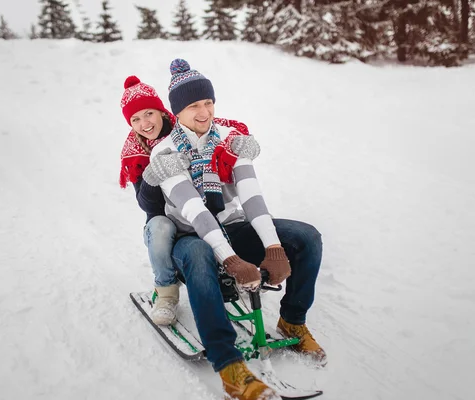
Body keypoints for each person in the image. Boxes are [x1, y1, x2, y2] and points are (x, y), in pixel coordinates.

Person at [143, 59, 326, 400]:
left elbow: (252, 198)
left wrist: (273, 248)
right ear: (177, 112)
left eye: (208, 103)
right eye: (193, 105)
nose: (204, 112)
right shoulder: (165, 152)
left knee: (307, 237)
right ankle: (228, 366)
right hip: (189, 235)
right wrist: (230, 260)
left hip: (231, 225)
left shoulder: (231, 140)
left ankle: (293, 320)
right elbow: (195, 211)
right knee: (199, 256)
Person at [119, 75, 251, 326]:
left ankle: (233, 268)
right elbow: (148, 206)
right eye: (135, 119)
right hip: (169, 219)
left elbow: (219, 127)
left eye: (149, 114)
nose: (144, 124)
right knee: (160, 226)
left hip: (201, 206)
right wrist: (152, 175)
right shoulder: (135, 151)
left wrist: (242, 142)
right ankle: (166, 292)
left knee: (228, 214)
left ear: (162, 111)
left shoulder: (183, 129)